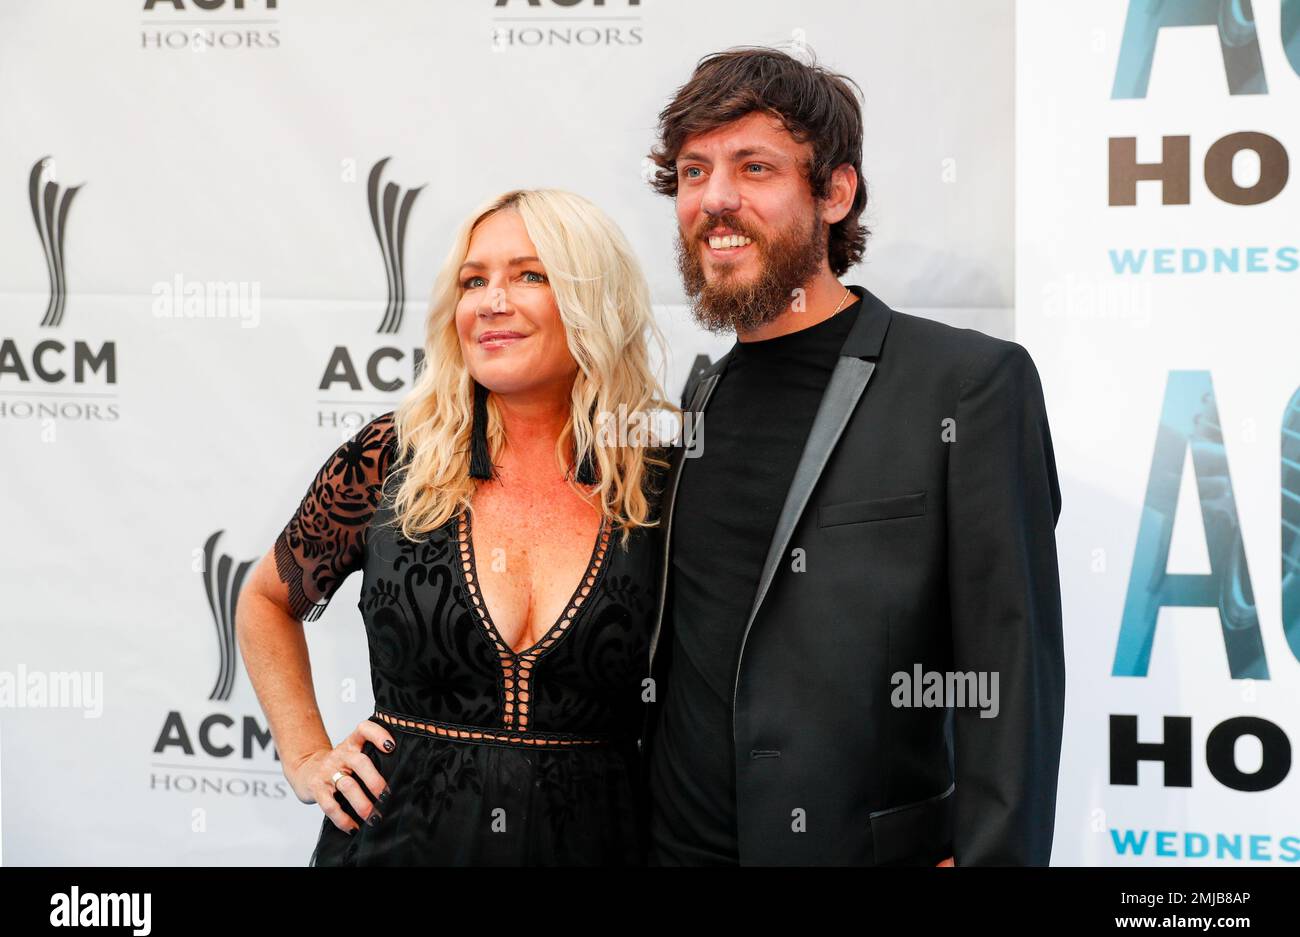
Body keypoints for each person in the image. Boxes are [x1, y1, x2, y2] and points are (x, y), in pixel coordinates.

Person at [641, 46, 1066, 865]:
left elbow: (1012, 677)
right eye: (693, 172)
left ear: (835, 193)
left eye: (753, 167)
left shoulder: (967, 385)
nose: (715, 199)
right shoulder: (693, 404)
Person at [236, 188, 671, 865]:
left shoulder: (658, 481)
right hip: (397, 844)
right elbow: (266, 599)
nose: (492, 301)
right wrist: (306, 756)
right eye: (474, 281)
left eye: (530, 274)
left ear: (595, 299)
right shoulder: (391, 457)